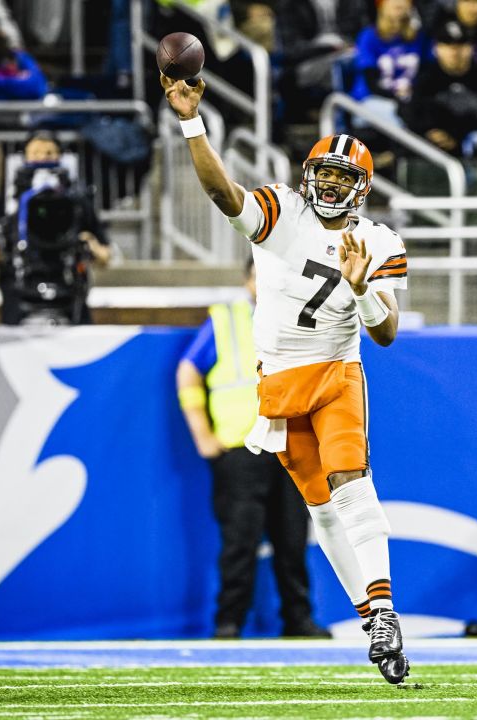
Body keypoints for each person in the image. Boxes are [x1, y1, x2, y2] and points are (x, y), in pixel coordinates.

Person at [163, 73, 411, 684]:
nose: (328, 183)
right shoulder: (282, 211)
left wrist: (362, 293)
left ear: (361, 188)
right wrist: (192, 121)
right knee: (321, 511)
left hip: (336, 372)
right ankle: (371, 621)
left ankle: (383, 609)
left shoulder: (378, 241)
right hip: (279, 380)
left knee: (351, 478)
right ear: (309, 176)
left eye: (341, 177)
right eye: (322, 173)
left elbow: (386, 333)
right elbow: (223, 194)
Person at [177, 260, 332, 640]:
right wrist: (202, 434)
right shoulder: (225, 320)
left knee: (293, 541)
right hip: (241, 449)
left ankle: (298, 620)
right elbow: (188, 370)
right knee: (239, 543)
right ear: (248, 280)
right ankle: (229, 622)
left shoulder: (302, 319)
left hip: (289, 448)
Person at [0, 130, 111, 325]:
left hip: (70, 302)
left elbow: (105, 256)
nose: (43, 159)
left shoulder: (77, 204)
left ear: (60, 157)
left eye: (49, 153)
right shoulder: (5, 206)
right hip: (19, 304)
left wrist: (89, 244)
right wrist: (3, 244)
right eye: (36, 153)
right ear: (24, 157)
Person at [404, 21, 477, 179]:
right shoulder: (426, 79)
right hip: (438, 158)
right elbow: (412, 117)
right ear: (437, 48)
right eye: (447, 44)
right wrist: (430, 133)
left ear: (470, 48)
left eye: (461, 44)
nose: (455, 51)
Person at [350, 0, 427, 108]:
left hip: (410, 99)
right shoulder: (369, 36)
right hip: (371, 100)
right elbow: (370, 82)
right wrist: (398, 97)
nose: (398, 3)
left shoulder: (419, 37)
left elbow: (427, 74)